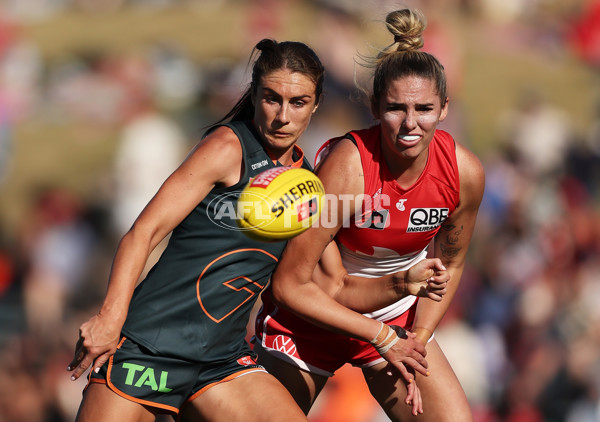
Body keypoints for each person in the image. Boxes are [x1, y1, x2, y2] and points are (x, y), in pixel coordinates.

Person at [67, 38, 448, 422]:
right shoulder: (226, 147)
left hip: (221, 363)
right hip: (149, 346)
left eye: (298, 102)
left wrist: (401, 285)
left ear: (315, 105)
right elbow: (142, 233)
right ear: (254, 96)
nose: (283, 116)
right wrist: (110, 318)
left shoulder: (307, 186)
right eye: (272, 98)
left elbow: (334, 285)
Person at [254, 9, 485, 421]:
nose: (410, 124)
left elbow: (450, 260)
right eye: (396, 108)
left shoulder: (463, 173)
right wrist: (382, 337)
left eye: (425, 109)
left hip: (393, 318)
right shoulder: (349, 170)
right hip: (314, 317)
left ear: (445, 108)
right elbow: (291, 283)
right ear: (375, 106)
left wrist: (418, 338)